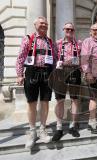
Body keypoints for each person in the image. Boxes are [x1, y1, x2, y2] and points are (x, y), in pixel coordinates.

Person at [16, 16, 56, 149]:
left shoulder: (50, 41)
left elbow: (54, 60)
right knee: (31, 103)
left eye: (46, 23)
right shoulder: (28, 38)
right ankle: (32, 131)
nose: (44, 25)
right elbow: (21, 57)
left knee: (45, 102)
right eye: (41, 23)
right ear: (35, 25)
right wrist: (19, 74)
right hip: (32, 72)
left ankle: (43, 129)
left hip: (47, 74)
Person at [51, 22, 82, 142]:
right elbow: (53, 59)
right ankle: (59, 128)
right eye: (67, 29)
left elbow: (81, 59)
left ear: (74, 31)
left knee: (75, 99)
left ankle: (73, 126)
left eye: (71, 29)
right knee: (60, 100)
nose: (69, 30)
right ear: (63, 29)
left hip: (75, 72)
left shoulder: (79, 43)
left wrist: (66, 62)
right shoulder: (57, 43)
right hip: (60, 73)